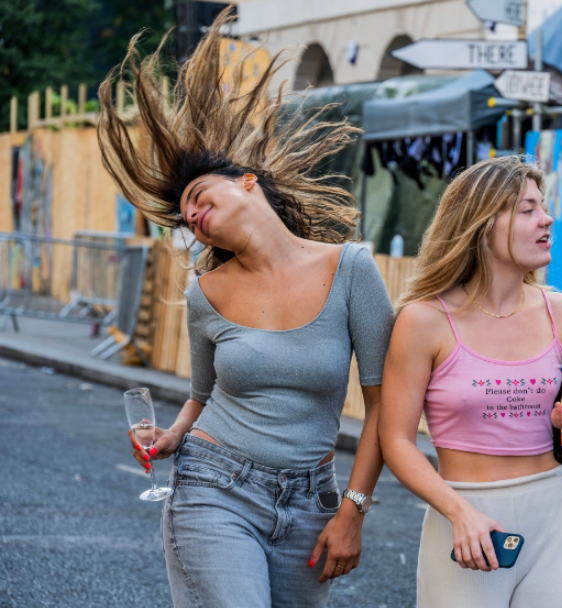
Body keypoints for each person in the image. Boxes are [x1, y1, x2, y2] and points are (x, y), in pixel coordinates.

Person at [97, 9, 394, 608]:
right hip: (214, 488)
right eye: (187, 221)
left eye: (199, 198)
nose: (194, 218)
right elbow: (203, 393)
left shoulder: (351, 269)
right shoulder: (205, 295)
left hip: (313, 501)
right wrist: (172, 435)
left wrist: (353, 510)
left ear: (248, 182)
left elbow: (388, 403)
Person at [379, 156, 562, 607]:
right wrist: (458, 512)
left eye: (544, 206)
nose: (547, 218)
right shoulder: (424, 321)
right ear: (481, 223)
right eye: (527, 208)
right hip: (466, 524)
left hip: (559, 523)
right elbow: (395, 440)